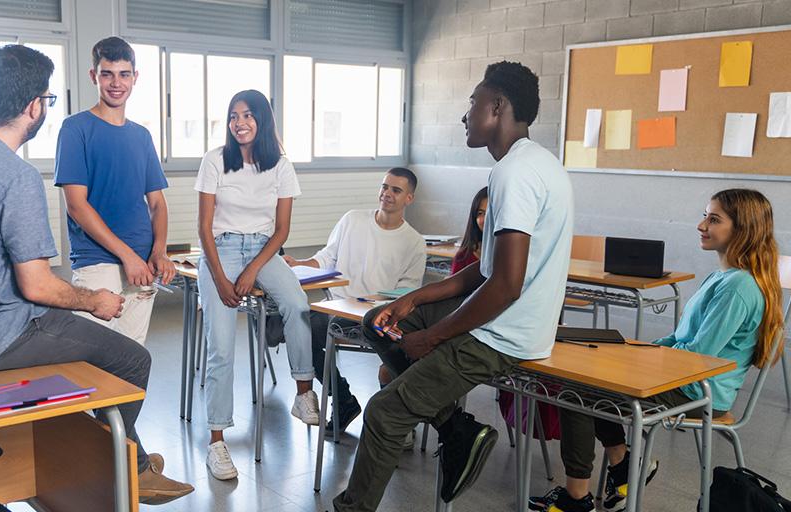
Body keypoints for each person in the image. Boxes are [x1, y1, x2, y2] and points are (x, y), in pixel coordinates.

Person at [0, 44, 192, 505]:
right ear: (34, 107)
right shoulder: (16, 175)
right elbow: (36, 285)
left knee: (95, 350)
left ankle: (109, 455)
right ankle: (127, 469)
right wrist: (94, 300)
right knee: (132, 360)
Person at [332, 60, 574, 512]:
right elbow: (487, 268)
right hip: (508, 319)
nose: (466, 115)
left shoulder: (514, 174)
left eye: (473, 103)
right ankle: (456, 428)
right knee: (377, 322)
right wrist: (413, 299)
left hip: (503, 335)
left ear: (497, 107)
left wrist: (433, 336)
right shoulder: (535, 164)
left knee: (385, 412)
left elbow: (504, 286)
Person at [529, 188, 784, 512]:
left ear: (743, 229)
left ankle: (576, 499)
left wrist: (641, 358)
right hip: (686, 379)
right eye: (705, 215)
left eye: (714, 219)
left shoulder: (738, 287)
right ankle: (623, 469)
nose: (701, 225)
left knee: (577, 394)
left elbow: (697, 355)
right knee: (594, 380)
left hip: (697, 391)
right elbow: (681, 339)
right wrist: (639, 350)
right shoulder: (724, 277)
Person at [195, 89, 320, 481]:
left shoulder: (280, 166)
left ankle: (303, 393)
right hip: (221, 249)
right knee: (222, 347)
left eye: (248, 115)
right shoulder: (215, 160)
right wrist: (220, 277)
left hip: (264, 250)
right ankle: (217, 441)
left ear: (263, 120)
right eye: (234, 116)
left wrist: (251, 272)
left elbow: (282, 230)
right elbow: (204, 227)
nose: (240, 123)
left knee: (298, 302)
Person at [284, 168, 427, 436]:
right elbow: (327, 257)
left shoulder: (414, 242)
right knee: (302, 332)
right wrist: (299, 263)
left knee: (404, 349)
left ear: (409, 198)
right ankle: (343, 399)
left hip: (378, 317)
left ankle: (398, 421)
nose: (387, 194)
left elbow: (406, 294)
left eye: (396, 190)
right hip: (337, 308)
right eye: (384, 187)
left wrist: (374, 305)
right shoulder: (352, 220)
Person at [54, 36, 174, 345]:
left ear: (135, 78)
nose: (116, 83)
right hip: (98, 263)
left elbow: (158, 204)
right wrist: (127, 257)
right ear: (94, 76)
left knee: (132, 362)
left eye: (124, 74)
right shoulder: (75, 129)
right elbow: (77, 206)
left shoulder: (142, 136)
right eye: (107, 74)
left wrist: (159, 251)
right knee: (92, 366)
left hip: (143, 266)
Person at [450, 186, 488, 274]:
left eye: (491, 212)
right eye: (480, 213)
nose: (486, 219)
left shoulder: (516, 254)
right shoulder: (463, 257)